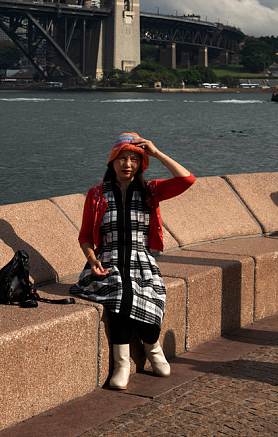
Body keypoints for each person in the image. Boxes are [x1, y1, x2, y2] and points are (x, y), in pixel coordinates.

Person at [69, 133, 194, 390]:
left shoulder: (151, 191)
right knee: (121, 298)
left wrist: (157, 153)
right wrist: (92, 260)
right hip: (106, 262)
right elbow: (84, 236)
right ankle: (122, 364)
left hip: (142, 262)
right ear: (112, 162)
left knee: (150, 296)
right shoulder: (96, 195)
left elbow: (186, 179)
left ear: (141, 163)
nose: (128, 164)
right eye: (122, 158)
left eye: (134, 159)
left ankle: (152, 348)